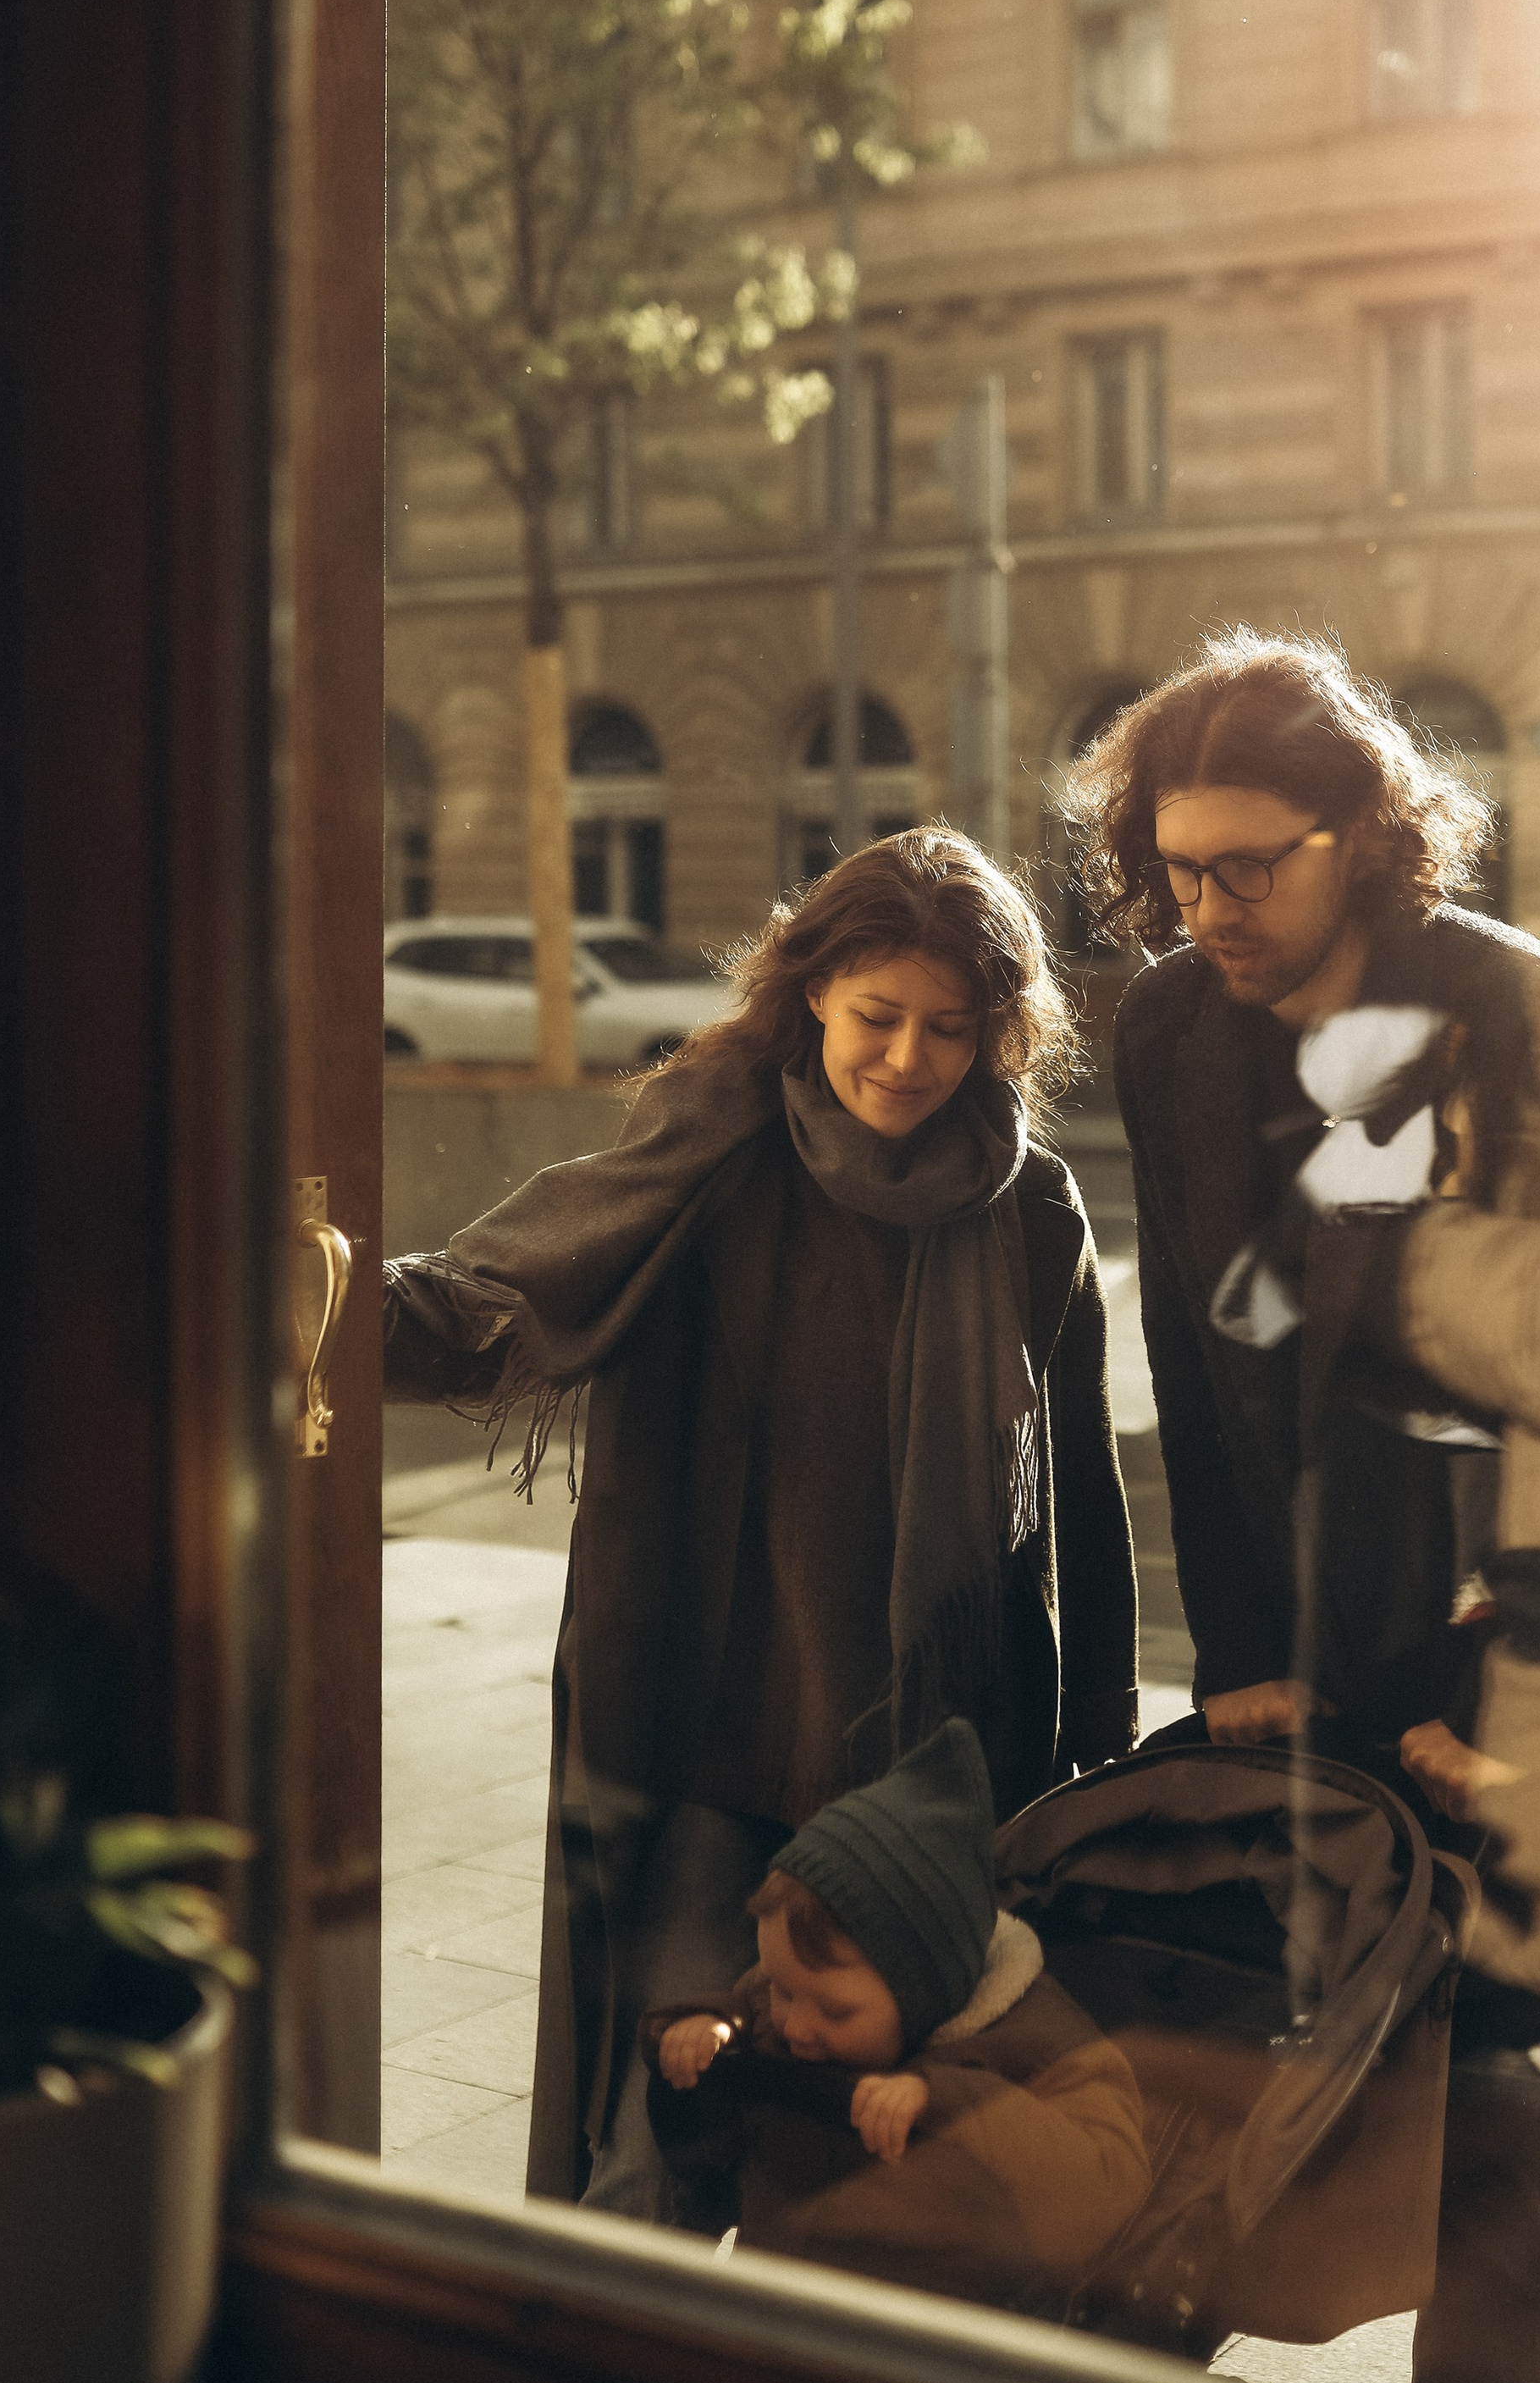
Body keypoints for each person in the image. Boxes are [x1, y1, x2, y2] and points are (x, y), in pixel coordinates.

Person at [1065, 632, 1540, 2383]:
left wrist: (1495, 1706)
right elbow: (1195, 1363)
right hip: (1310, 1661)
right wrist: (1238, 1655)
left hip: (1535, 1666)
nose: (1208, 910)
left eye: (1248, 867)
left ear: (1361, 832)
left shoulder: (1533, 1018)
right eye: (1177, 870)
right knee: (1263, 2101)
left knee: (1489, 2140)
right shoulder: (1173, 1028)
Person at [382, 830, 1140, 2217]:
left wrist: (1103, 1714)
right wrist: (325, 1304)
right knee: (657, 2149)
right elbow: (521, 1278)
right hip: (719, 1737)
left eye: (949, 1029)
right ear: (813, 996)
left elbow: (1080, 1476)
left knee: (880, 2170)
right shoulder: (715, 1152)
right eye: (878, 1016)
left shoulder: (1032, 1204)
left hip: (935, 1763)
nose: (907, 1058)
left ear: (997, 1035)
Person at [643, 1717, 1151, 2311]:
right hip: (774, 2311)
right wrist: (711, 2033)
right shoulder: (777, 2016)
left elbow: (1106, 2188)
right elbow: (703, 2152)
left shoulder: (1041, 2042)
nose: (794, 2025)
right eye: (781, 1989)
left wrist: (950, 2100)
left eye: (834, 2010)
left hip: (935, 2340)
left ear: (928, 1991)